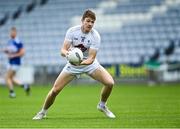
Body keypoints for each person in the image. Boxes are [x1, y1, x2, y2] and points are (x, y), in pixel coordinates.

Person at [33, 9, 115, 119]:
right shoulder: (72, 31)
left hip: (89, 65)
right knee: (55, 90)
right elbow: (62, 50)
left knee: (110, 83)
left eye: (92, 22)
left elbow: (91, 58)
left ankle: (102, 105)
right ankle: (42, 112)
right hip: (72, 66)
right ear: (82, 21)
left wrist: (81, 62)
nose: (90, 24)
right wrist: (68, 54)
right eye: (88, 21)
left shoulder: (95, 36)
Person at [3, 27, 30, 98]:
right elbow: (10, 51)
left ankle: (12, 93)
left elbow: (22, 53)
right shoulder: (10, 41)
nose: (11, 33)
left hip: (16, 63)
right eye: (10, 32)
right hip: (10, 63)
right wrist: (6, 51)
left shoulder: (18, 42)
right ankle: (25, 86)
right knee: (11, 78)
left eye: (13, 32)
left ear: (15, 33)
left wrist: (13, 56)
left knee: (7, 77)